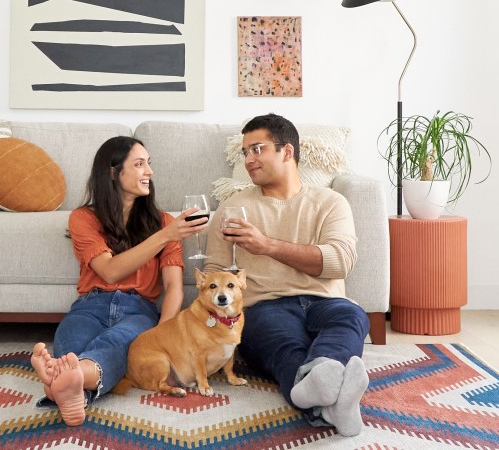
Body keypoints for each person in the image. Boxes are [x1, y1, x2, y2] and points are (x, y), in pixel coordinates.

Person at [204, 113, 369, 436]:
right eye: (245, 152)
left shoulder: (330, 203)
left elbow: (339, 262)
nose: (249, 159)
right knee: (282, 345)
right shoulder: (232, 208)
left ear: (287, 152)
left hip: (325, 302)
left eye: (257, 149)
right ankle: (332, 401)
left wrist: (266, 245)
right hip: (265, 306)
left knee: (352, 317)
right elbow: (214, 272)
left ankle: (317, 389)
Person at [30, 135, 207, 426]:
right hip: (90, 305)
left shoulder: (164, 222)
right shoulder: (83, 218)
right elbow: (109, 271)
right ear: (113, 172)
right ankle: (72, 384)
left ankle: (60, 382)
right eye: (139, 164)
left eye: (149, 164)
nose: (149, 171)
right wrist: (165, 236)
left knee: (116, 344)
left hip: (139, 310)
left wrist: (161, 337)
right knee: (72, 344)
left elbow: (174, 287)